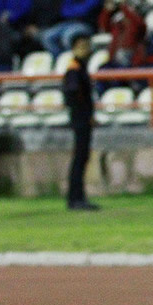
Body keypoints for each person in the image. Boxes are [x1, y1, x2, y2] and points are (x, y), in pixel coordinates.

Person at [62, 34, 97, 211]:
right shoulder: (74, 68)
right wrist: (85, 113)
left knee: (82, 158)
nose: (87, 49)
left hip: (82, 117)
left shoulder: (79, 67)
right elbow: (74, 92)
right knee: (80, 158)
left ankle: (78, 197)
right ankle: (76, 198)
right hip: (80, 118)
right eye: (83, 46)